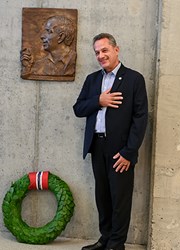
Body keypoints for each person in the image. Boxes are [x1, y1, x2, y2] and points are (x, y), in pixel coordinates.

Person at [73, 33, 148, 250]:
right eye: (97, 52)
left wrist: (129, 152)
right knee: (103, 196)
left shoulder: (134, 79)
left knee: (120, 199)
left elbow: (140, 119)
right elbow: (78, 109)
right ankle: (105, 238)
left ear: (116, 49)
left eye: (105, 50)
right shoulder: (92, 80)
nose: (101, 55)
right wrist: (99, 100)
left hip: (120, 150)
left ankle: (116, 243)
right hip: (97, 146)